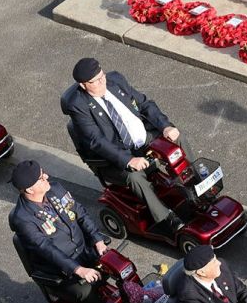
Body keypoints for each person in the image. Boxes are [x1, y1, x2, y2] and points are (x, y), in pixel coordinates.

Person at [60, 58, 186, 232]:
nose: (101, 82)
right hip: (115, 157)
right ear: (83, 85)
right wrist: (129, 160)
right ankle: (166, 218)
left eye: (101, 76)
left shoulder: (115, 80)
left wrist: (165, 126)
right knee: (135, 178)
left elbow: (144, 104)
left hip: (144, 138)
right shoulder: (78, 106)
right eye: (94, 81)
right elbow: (97, 141)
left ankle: (192, 185)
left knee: (176, 139)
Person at [8, 159, 129, 303]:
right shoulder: (22, 218)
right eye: (41, 178)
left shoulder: (55, 188)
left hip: (85, 251)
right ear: (29, 189)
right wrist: (78, 270)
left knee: (119, 265)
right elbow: (45, 249)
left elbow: (80, 213)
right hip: (60, 272)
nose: (47, 177)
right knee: (86, 292)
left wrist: (97, 240)